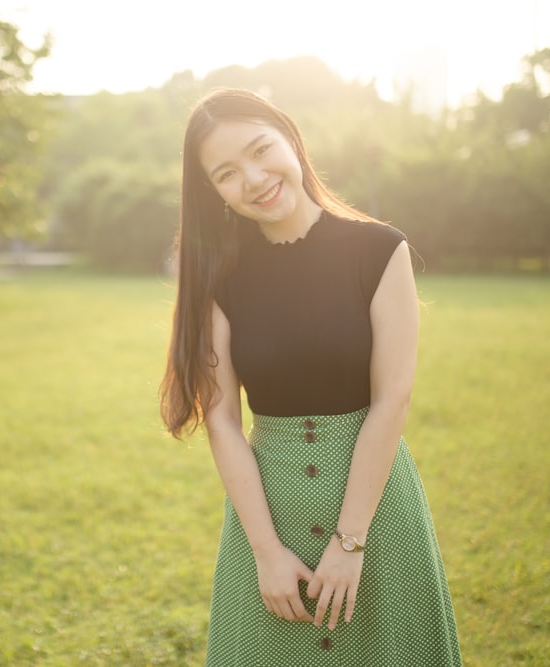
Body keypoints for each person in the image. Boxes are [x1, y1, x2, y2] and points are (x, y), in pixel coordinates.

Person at [159, 88, 461, 666]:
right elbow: (222, 421)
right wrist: (266, 552)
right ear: (213, 192)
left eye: (259, 150)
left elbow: (391, 398)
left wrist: (350, 543)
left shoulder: (378, 249)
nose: (252, 178)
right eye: (226, 173)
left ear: (290, 140)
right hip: (269, 515)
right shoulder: (220, 277)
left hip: (377, 513)